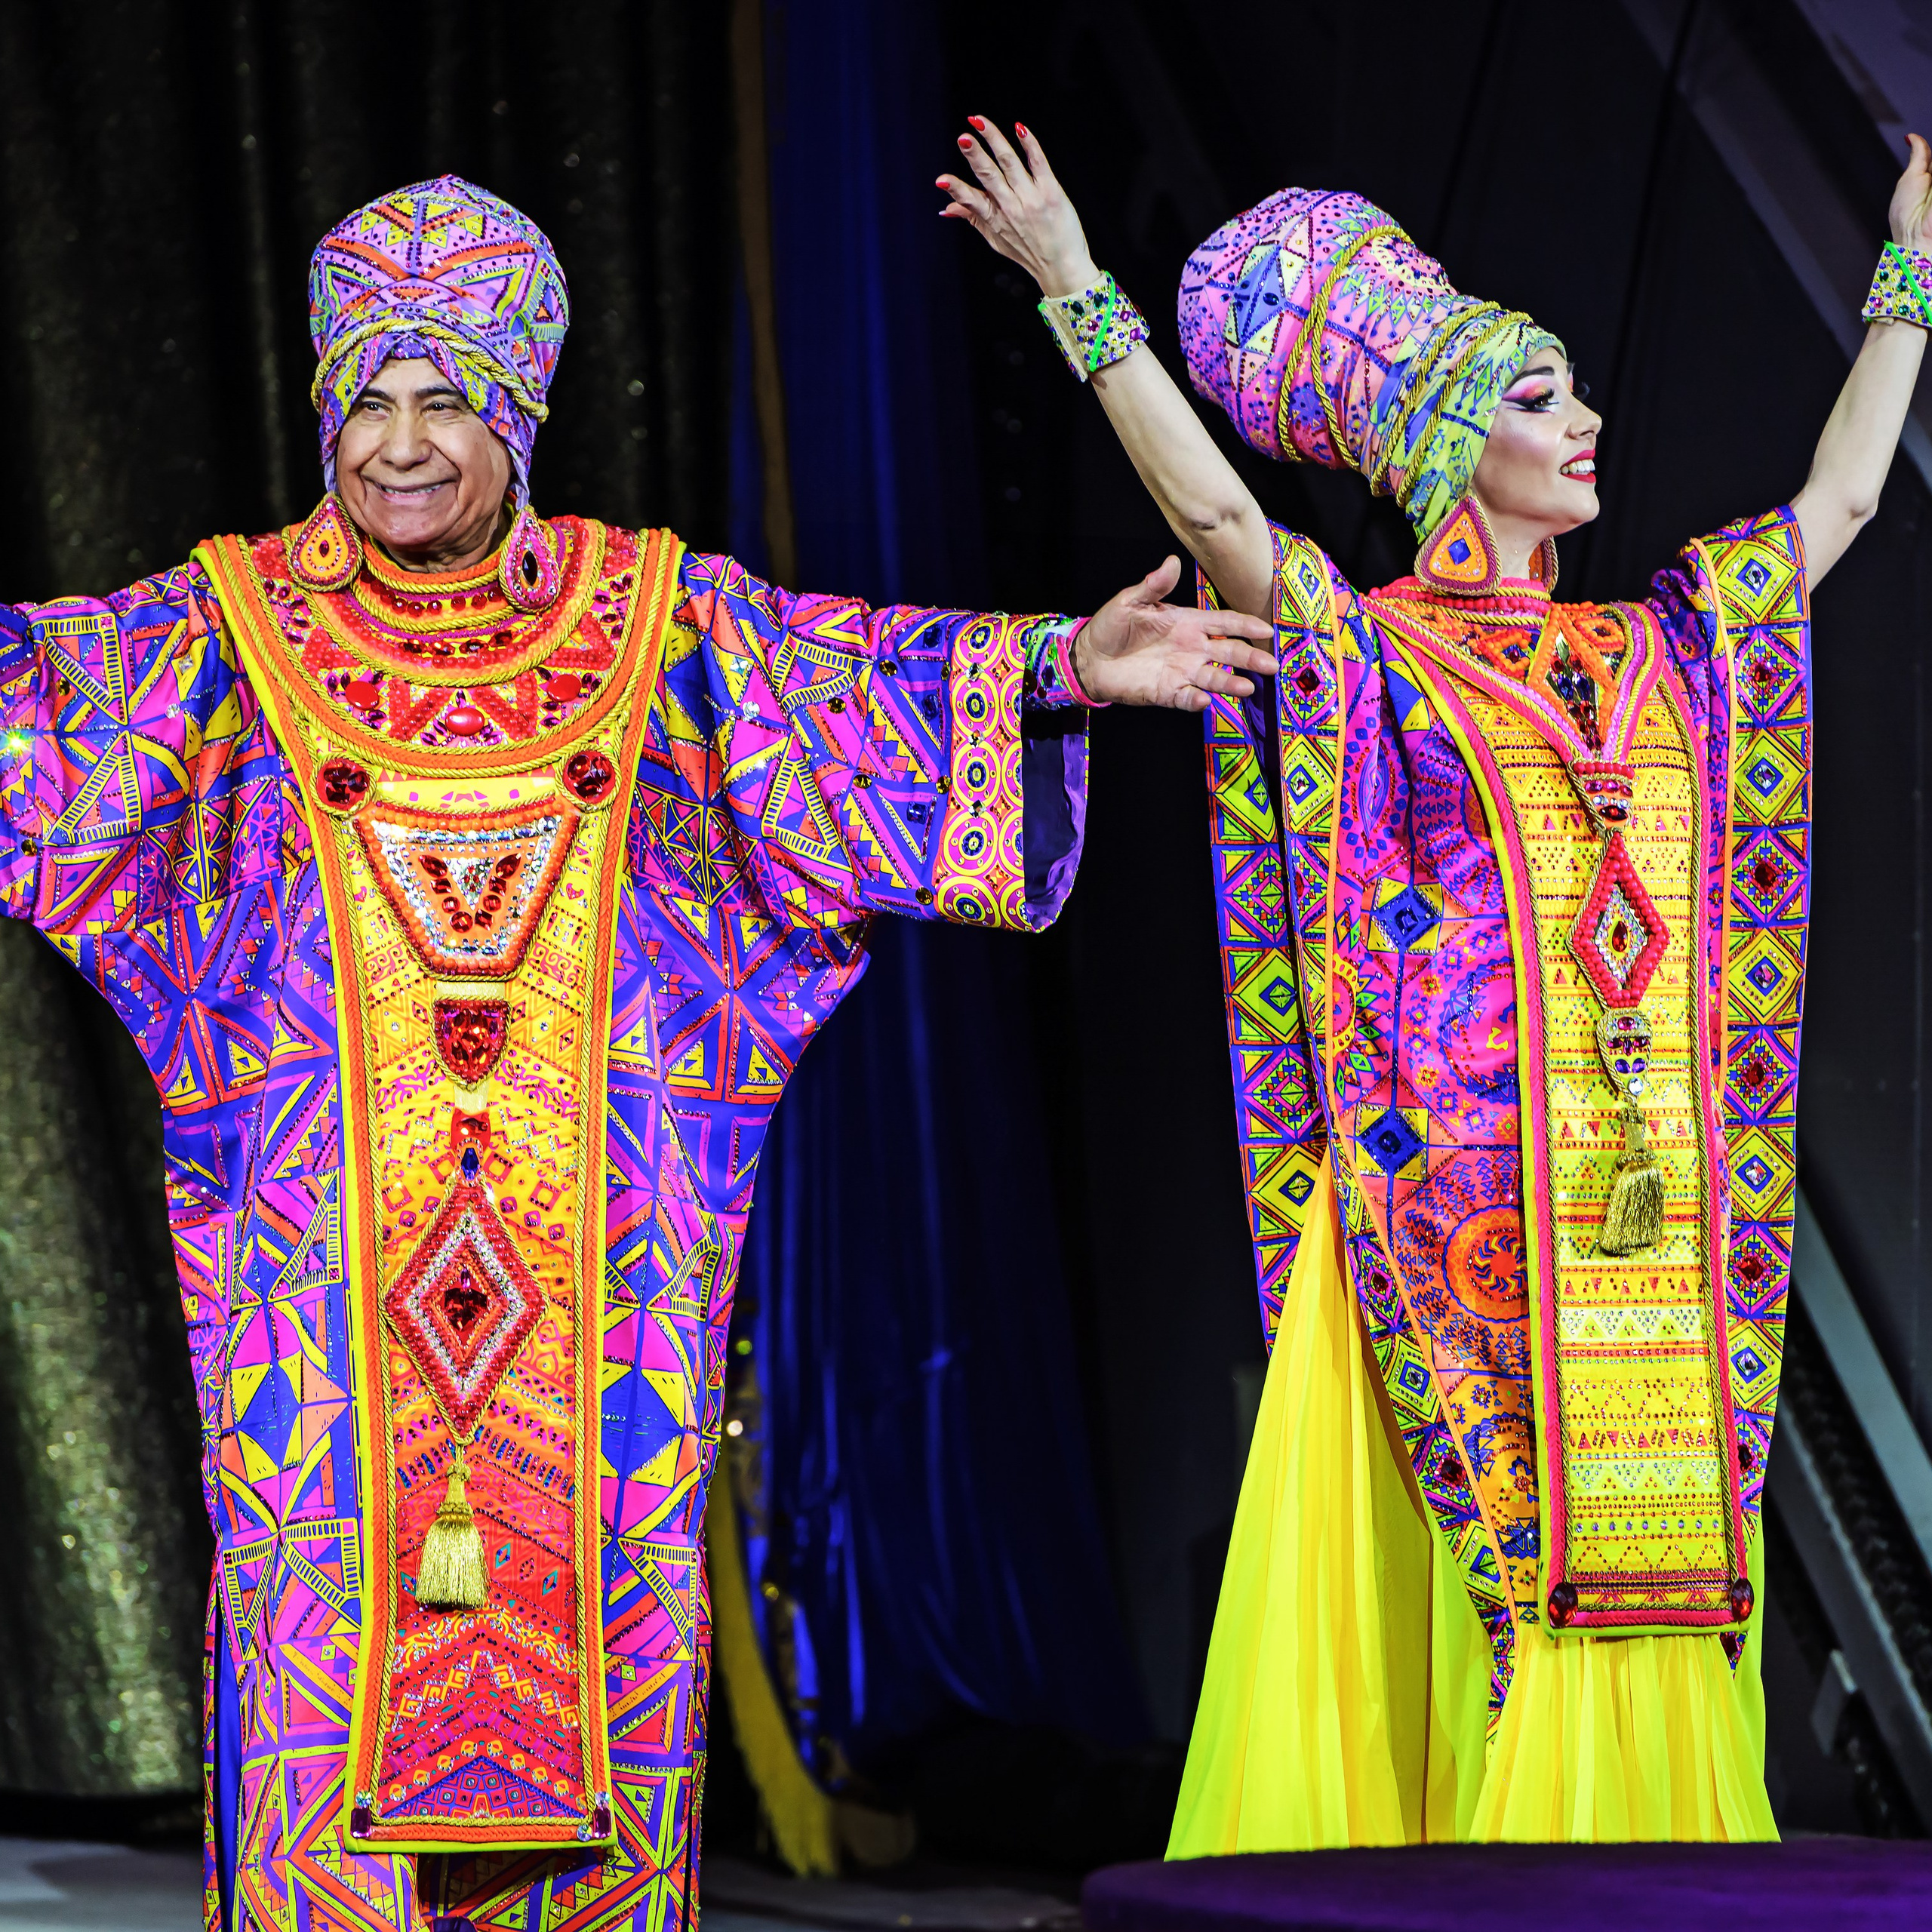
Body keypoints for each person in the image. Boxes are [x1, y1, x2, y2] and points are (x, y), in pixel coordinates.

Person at [0, 175, 1274, 1932]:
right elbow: (35, 708)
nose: (397, 444)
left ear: (517, 412)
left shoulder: (652, 627)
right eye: (368, 399)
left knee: (594, 1748)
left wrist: (1064, 664)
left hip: (596, 1341)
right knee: (321, 1733)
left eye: (442, 400)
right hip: (325, 1353)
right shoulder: (224, 642)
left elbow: (859, 686)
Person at [939, 121, 1932, 1843]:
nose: (1588, 419)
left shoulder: (1665, 644)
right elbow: (1219, 516)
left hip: (1639, 1219)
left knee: (1655, 1574)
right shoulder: (1369, 657)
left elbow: (1840, 500)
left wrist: (1909, 270)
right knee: (1497, 1590)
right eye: (1542, 398)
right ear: (1447, 444)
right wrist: (1077, 293)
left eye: (1574, 392)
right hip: (1452, 1225)